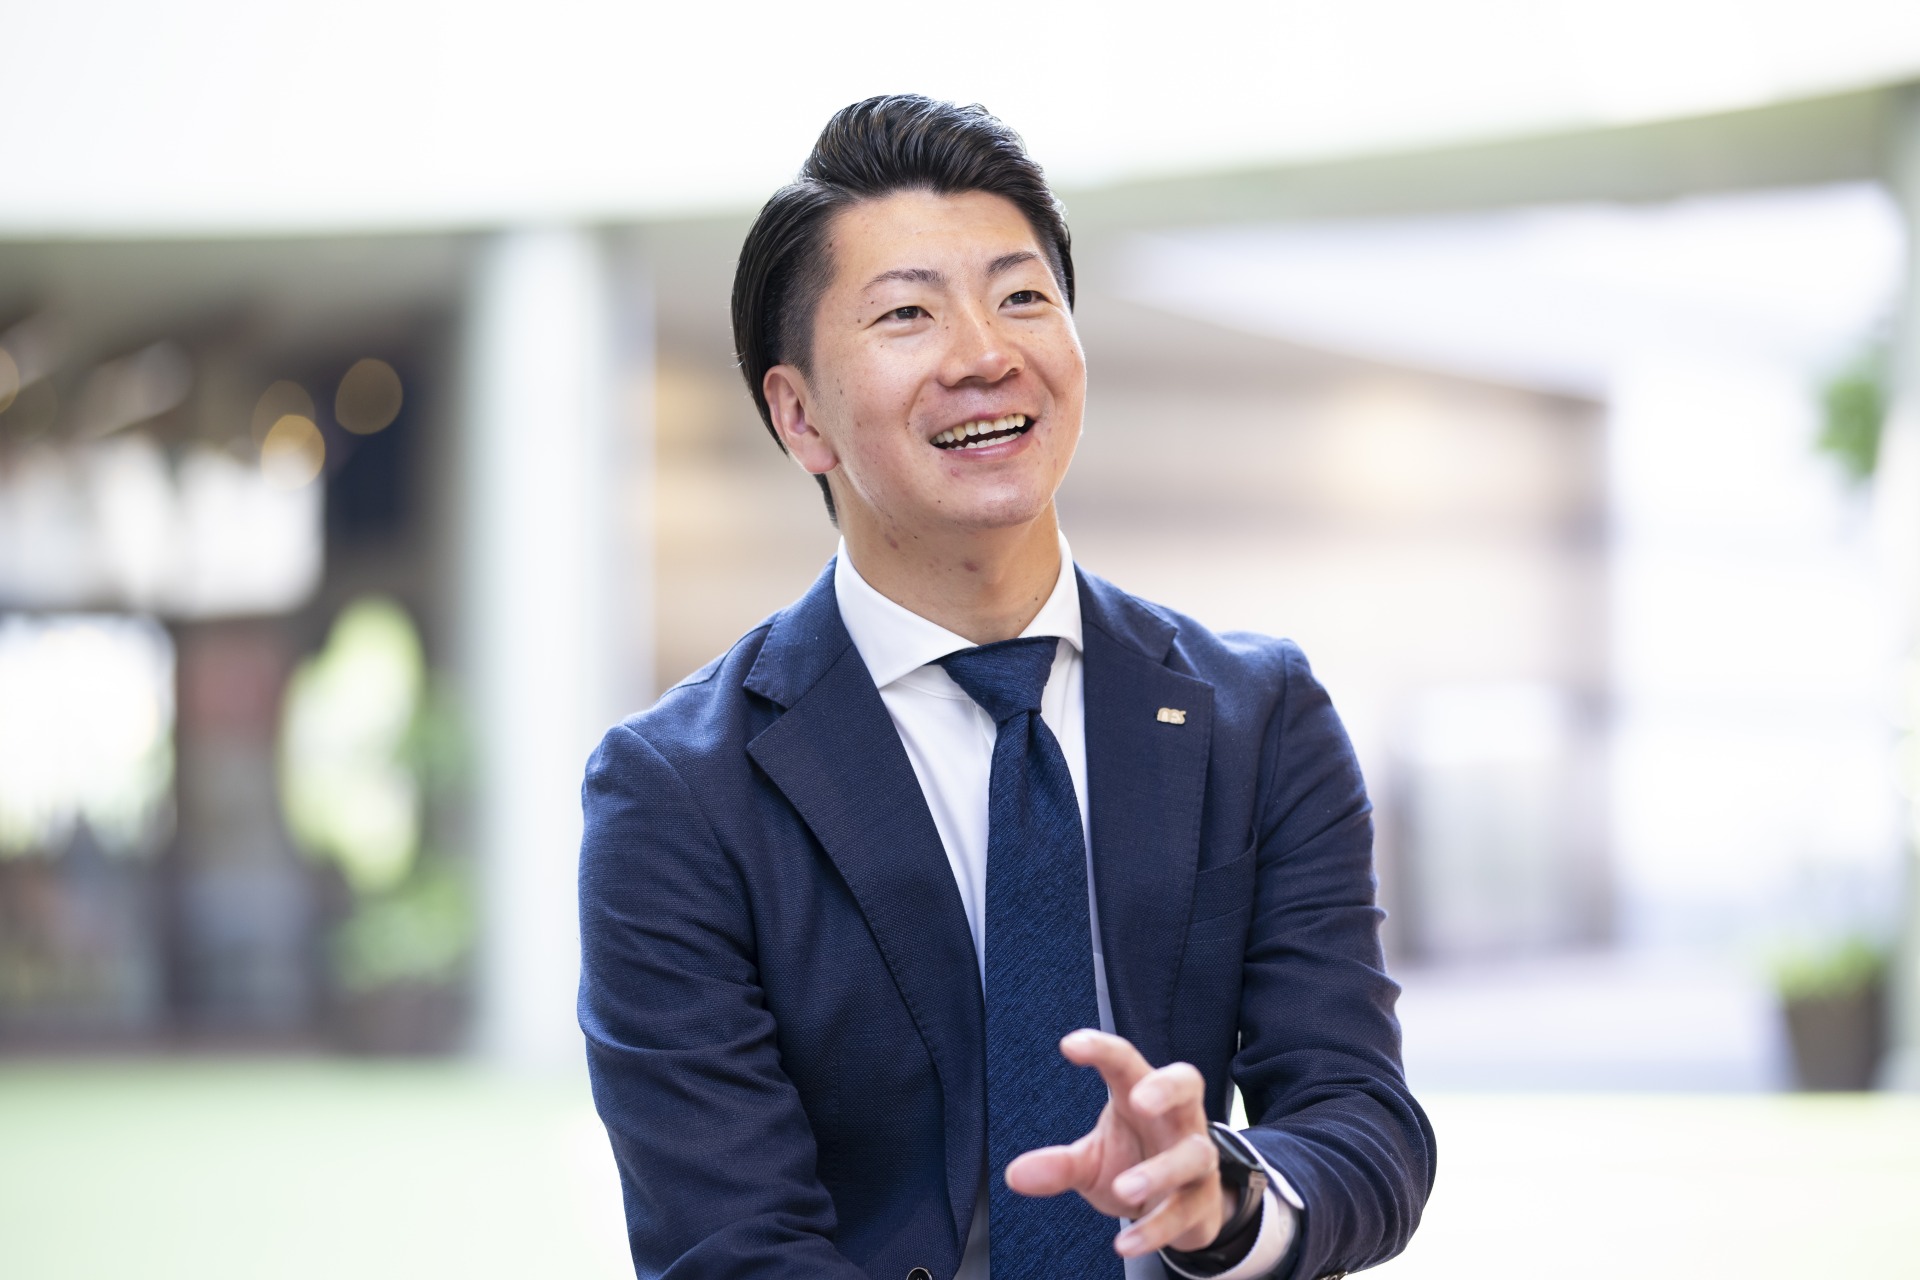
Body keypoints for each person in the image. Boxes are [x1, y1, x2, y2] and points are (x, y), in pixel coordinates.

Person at [578, 95, 1435, 1280]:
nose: (986, 354)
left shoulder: (1258, 717)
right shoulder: (677, 791)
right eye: (907, 313)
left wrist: (1227, 1191)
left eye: (1023, 296)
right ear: (799, 413)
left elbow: (1361, 1120)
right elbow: (730, 1246)